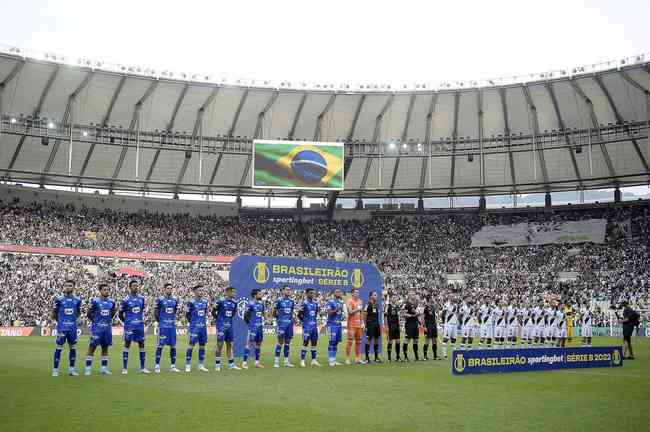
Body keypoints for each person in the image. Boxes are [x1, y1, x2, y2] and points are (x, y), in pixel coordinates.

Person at [51, 279, 82, 377]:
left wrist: (75, 320)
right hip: (62, 328)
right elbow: (54, 313)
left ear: (74, 287)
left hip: (72, 328)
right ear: (64, 287)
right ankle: (55, 370)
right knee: (59, 348)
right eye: (66, 285)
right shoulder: (59, 299)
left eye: (70, 285)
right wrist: (60, 322)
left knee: (73, 348)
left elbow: (78, 312)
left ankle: (71, 370)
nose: (68, 287)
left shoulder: (77, 300)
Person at [84, 283, 116, 375]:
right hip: (97, 328)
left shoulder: (111, 302)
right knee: (92, 347)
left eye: (107, 289)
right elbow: (89, 313)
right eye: (104, 289)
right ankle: (88, 369)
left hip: (107, 329)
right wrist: (95, 321)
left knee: (105, 348)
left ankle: (104, 369)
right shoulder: (95, 301)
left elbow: (112, 313)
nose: (106, 291)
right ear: (100, 291)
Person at [119, 280, 150, 374]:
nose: (136, 287)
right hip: (130, 326)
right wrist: (126, 322)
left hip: (139, 325)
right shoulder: (125, 300)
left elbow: (141, 311)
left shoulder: (141, 298)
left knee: (142, 344)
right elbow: (120, 314)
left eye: (137, 286)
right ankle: (124, 368)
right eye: (134, 286)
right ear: (130, 287)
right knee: (127, 344)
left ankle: (143, 367)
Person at [212, 286, 240, 371]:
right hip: (221, 327)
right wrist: (219, 320)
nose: (235, 294)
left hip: (229, 326)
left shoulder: (235, 303)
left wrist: (229, 320)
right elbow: (213, 311)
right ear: (228, 292)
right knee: (219, 345)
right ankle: (217, 365)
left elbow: (234, 312)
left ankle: (231, 364)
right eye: (233, 292)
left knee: (230, 345)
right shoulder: (220, 301)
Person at [154, 282, 180, 374]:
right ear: (164, 289)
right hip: (163, 327)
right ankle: (157, 366)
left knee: (173, 346)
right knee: (160, 346)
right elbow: (156, 312)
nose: (170, 289)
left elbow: (175, 310)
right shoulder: (160, 300)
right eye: (168, 288)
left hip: (172, 327)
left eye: (171, 288)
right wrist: (161, 322)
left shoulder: (175, 299)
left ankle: (173, 366)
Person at [184, 284, 209, 372]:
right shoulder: (190, 302)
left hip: (203, 327)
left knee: (202, 346)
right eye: (199, 290)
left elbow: (205, 313)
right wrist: (193, 323)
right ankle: (187, 365)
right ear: (194, 292)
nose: (201, 292)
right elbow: (187, 315)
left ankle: (201, 365)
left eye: (202, 290)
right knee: (191, 345)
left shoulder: (205, 302)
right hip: (194, 327)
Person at [242, 289, 266, 369]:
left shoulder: (261, 304)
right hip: (253, 328)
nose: (261, 295)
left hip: (260, 327)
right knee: (249, 344)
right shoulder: (250, 304)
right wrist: (250, 324)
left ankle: (257, 363)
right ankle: (244, 363)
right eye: (259, 294)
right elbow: (245, 316)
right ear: (255, 295)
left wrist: (266, 319)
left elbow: (263, 314)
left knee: (258, 344)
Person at [298, 288, 321, 367]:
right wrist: (305, 322)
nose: (312, 294)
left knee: (314, 343)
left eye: (313, 293)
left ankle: (314, 360)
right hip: (307, 327)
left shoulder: (315, 304)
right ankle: (302, 360)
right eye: (311, 293)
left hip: (314, 326)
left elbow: (315, 314)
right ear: (307, 294)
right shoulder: (303, 303)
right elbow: (299, 315)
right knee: (305, 342)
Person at [273, 285, 295, 368]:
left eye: (289, 290)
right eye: (286, 290)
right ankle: (276, 362)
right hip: (282, 324)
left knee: (288, 342)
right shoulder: (278, 300)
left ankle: (286, 362)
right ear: (282, 291)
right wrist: (279, 319)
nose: (288, 291)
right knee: (280, 341)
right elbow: (274, 312)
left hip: (289, 324)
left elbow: (291, 311)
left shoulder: (291, 301)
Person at [345, 288, 364, 365]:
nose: (357, 294)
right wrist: (357, 309)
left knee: (358, 342)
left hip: (359, 324)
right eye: (355, 292)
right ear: (352, 293)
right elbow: (350, 312)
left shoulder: (360, 301)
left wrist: (362, 322)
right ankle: (347, 359)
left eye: (358, 292)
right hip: (351, 324)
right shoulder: (349, 301)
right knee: (350, 342)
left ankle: (357, 359)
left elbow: (361, 312)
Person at [326, 289, 344, 367]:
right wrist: (337, 309)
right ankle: (331, 360)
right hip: (332, 324)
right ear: (334, 293)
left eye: (340, 292)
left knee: (336, 342)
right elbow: (329, 313)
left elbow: (340, 313)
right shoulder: (330, 302)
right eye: (338, 292)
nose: (339, 293)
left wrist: (342, 316)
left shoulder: (340, 302)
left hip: (338, 324)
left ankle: (334, 359)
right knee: (332, 342)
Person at [364, 290, 381, 363]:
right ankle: (367, 358)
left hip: (376, 324)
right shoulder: (368, 304)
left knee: (376, 339)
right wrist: (364, 325)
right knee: (369, 339)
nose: (376, 296)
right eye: (374, 295)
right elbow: (364, 315)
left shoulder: (377, 305)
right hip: (370, 324)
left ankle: (376, 357)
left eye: (376, 295)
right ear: (371, 296)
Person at [402, 293, 420, 362]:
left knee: (416, 340)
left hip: (415, 324)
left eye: (414, 294)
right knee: (407, 340)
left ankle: (416, 356)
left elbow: (418, 313)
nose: (413, 295)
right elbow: (403, 314)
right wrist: (410, 315)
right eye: (412, 294)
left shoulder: (415, 304)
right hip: (409, 324)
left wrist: (417, 313)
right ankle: (405, 357)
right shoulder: (406, 304)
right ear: (409, 296)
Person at [384, 296, 401, 362]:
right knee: (390, 341)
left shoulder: (396, 306)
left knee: (398, 341)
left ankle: (398, 357)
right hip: (391, 325)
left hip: (396, 325)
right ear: (391, 299)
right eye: (393, 297)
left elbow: (398, 316)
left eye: (395, 297)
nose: (394, 298)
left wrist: (399, 325)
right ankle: (389, 358)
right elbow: (385, 316)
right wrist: (386, 326)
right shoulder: (388, 306)